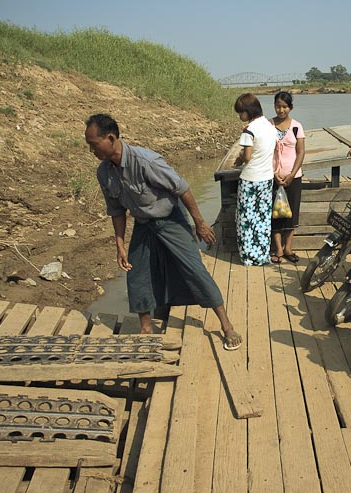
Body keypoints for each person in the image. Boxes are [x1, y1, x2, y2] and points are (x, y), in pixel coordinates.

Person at [86, 114, 242, 350]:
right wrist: (119, 244)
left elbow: (182, 188)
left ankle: (226, 324)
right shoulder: (104, 173)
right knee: (137, 274)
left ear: (110, 138)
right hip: (144, 224)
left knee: (194, 269)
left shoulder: (146, 161)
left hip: (171, 219)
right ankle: (146, 328)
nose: (91, 150)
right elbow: (116, 211)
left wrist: (199, 222)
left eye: (93, 144)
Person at [233, 93, 277, 266]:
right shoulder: (269, 126)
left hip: (250, 179)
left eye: (241, 113)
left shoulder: (249, 130)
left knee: (246, 218)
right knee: (263, 218)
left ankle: (249, 257)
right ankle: (261, 255)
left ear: (248, 111)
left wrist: (239, 157)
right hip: (267, 178)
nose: (240, 117)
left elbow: (248, 156)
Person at [269, 91, 306, 263]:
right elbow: (265, 152)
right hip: (273, 177)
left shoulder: (297, 126)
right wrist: (274, 173)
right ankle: (278, 250)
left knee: (292, 214)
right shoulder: (268, 125)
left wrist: (292, 174)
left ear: (290, 108)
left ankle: (288, 248)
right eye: (278, 106)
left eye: (284, 106)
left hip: (294, 177)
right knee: (275, 214)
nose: (281, 110)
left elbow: (300, 152)